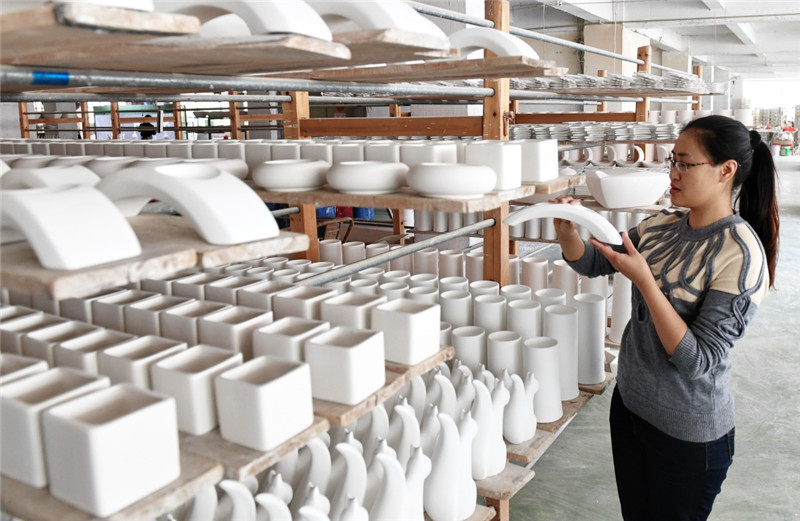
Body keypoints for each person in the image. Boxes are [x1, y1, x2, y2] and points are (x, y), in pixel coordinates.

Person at [552, 115, 779, 520]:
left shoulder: (740, 253)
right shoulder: (661, 225)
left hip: (687, 436)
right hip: (631, 409)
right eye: (672, 161)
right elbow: (594, 263)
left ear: (726, 170)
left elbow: (696, 360)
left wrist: (645, 279)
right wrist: (570, 232)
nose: (672, 173)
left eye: (685, 164)